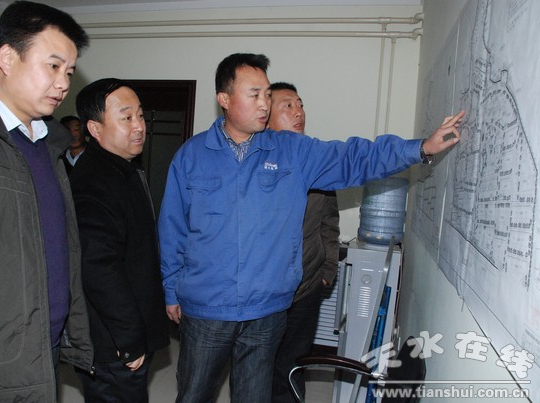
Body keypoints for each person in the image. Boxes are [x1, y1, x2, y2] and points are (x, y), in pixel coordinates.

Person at [158, 52, 464, 403]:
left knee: (254, 396)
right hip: (206, 308)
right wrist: (171, 290)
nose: (264, 104)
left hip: (266, 311)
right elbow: (173, 229)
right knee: (194, 394)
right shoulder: (191, 156)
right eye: (254, 94)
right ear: (224, 99)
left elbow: (353, 157)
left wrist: (419, 149)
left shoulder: (292, 151)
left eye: (267, 94)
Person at [0, 2, 93, 401]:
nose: (63, 83)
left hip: (45, 346)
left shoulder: (51, 143)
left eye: (69, 72)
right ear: (8, 58)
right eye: (53, 66)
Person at [71, 78, 170, 403]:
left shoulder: (122, 170)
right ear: (95, 129)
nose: (139, 126)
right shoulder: (93, 180)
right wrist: (128, 339)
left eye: (140, 115)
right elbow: (98, 267)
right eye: (126, 117)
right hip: (112, 340)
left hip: (129, 328)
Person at [267, 81, 340, 403]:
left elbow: (329, 223)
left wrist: (327, 270)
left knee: (293, 365)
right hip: (264, 290)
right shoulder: (254, 162)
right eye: (287, 106)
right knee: (257, 365)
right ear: (265, 116)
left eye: (300, 105)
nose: (298, 112)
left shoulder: (317, 162)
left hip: (307, 284)